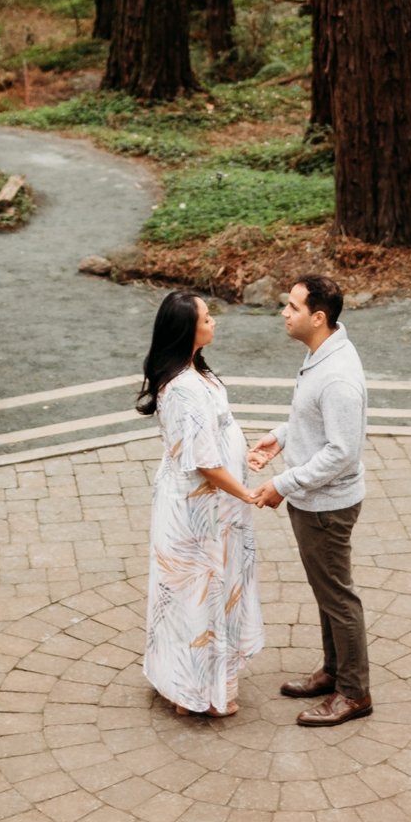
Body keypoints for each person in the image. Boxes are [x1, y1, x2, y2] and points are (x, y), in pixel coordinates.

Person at [247, 274, 372, 726]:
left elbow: (342, 452)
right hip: (314, 500)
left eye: (293, 307)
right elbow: (314, 424)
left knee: (338, 597)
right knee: (326, 591)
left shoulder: (337, 376)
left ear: (318, 318)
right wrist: (280, 437)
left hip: (327, 507)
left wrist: (283, 484)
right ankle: (335, 671)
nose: (284, 312)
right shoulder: (323, 353)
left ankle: (354, 693)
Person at [139, 289, 265, 717]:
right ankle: (196, 693)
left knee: (202, 592)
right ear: (185, 329)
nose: (214, 322)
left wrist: (245, 455)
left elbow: (215, 438)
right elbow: (204, 463)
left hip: (215, 505)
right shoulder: (185, 388)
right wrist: (246, 491)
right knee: (198, 594)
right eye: (207, 317)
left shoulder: (196, 371)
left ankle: (187, 684)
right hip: (201, 511)